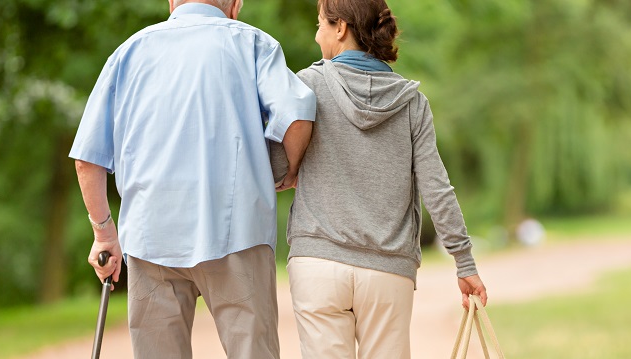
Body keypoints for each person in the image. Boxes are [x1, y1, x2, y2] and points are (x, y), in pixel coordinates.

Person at [69, 0, 316, 358]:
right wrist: (290, 169)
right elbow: (297, 117)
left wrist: (104, 233)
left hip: (149, 237)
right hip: (238, 233)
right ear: (236, 4)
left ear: (172, 2)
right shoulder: (253, 44)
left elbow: (86, 160)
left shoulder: (129, 52)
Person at [271, 0, 488, 357]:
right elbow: (436, 188)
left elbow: (278, 167)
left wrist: (292, 170)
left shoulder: (306, 86)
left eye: (320, 25)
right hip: (388, 272)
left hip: (319, 264)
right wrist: (464, 263)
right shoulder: (412, 103)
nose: (317, 36)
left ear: (340, 28)